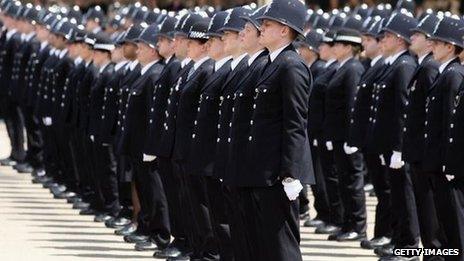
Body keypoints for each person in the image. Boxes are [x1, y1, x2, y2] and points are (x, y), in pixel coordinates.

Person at [232, 0, 314, 259]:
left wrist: (290, 174)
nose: (262, 28)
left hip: (278, 174)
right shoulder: (271, 63)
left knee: (281, 247)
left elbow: (295, 123)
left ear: (284, 30)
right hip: (262, 169)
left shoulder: (291, 65)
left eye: (267, 24)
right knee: (263, 243)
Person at [367, 11, 420, 260]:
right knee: (396, 196)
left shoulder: (404, 66)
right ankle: (400, 241)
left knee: (403, 195)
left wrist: (399, 147)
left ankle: (408, 245)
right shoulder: (396, 65)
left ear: (400, 39)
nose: (382, 41)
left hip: (397, 146)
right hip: (388, 145)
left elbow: (402, 111)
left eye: (386, 36)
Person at [403, 12, 444, 258]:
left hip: (425, 151)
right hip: (419, 150)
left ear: (430, 41)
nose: (412, 37)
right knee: (424, 208)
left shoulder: (429, 68)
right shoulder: (424, 65)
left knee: (430, 212)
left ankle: (435, 254)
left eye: (417, 34)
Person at [324, 28, 367, 242]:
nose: (334, 48)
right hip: (339, 135)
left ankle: (357, 225)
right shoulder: (343, 67)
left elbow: (352, 105)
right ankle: (347, 222)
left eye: (338, 45)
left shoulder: (353, 69)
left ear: (349, 47)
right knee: (343, 180)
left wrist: (352, 138)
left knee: (352, 181)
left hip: (347, 136)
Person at [426, 16, 464, 260]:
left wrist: (450, 162)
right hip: (444, 161)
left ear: (450, 46)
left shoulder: (452, 75)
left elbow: (452, 124)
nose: (432, 46)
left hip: (450, 164)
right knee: (447, 222)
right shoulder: (447, 73)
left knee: (457, 224)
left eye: (437, 43)